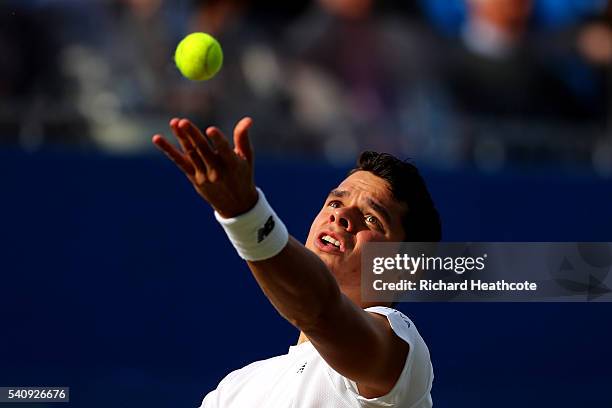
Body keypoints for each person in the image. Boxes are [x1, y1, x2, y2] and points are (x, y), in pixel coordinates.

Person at [152, 116, 441, 407]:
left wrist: (246, 215)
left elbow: (321, 312)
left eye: (371, 219)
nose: (340, 216)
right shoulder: (235, 389)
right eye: (335, 203)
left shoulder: (401, 353)